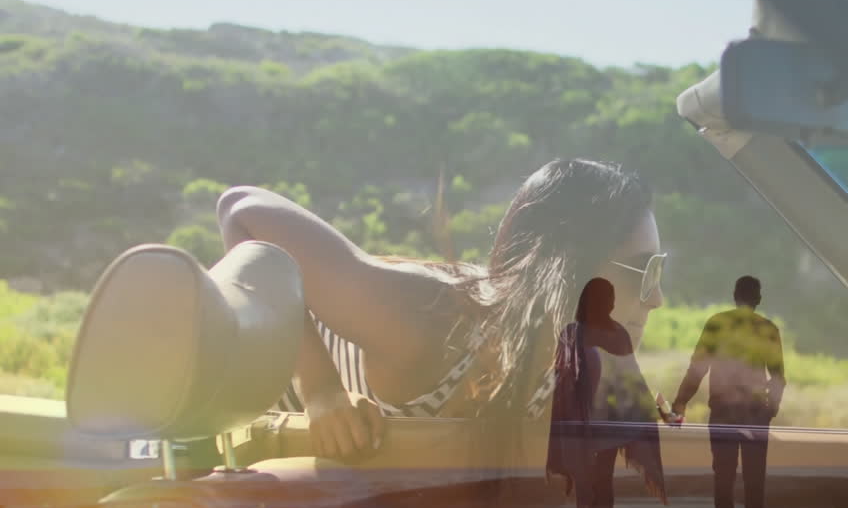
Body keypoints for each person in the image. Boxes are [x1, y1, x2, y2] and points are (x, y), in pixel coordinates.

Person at [215, 159, 667, 458]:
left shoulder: (589, 356)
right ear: (569, 266)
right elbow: (242, 209)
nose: (656, 299)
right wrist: (319, 388)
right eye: (640, 272)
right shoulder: (427, 321)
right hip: (232, 433)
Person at [546, 278, 667, 508]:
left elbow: (560, 381)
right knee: (604, 481)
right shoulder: (618, 334)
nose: (612, 303)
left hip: (582, 425)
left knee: (587, 482)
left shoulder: (572, 333)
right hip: (610, 427)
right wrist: (653, 409)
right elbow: (632, 379)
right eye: (610, 298)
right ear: (608, 302)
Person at [671, 276, 786, 508]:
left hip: (722, 411)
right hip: (754, 415)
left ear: (734, 296)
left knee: (722, 473)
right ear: (758, 298)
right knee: (754, 478)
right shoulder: (768, 329)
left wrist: (681, 400)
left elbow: (697, 369)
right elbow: (778, 378)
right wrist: (769, 410)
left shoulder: (716, 324)